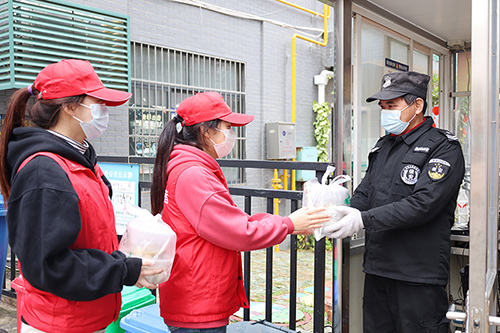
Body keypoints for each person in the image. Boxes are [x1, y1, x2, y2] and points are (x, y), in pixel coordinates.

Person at [0, 59, 162, 333]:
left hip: (87, 317)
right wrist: (122, 270)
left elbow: (88, 238)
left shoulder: (80, 160)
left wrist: (127, 252)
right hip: (60, 323)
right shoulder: (44, 171)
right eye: (97, 102)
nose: (105, 110)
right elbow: (47, 265)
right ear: (70, 107)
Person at [150, 91, 331, 332]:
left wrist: (287, 222)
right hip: (197, 301)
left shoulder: (187, 166)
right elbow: (239, 231)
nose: (231, 134)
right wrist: (288, 224)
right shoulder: (194, 174)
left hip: (193, 293)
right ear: (206, 131)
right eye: (227, 126)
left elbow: (231, 220)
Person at [324, 71, 465, 332]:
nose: (385, 112)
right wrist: (343, 213)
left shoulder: (443, 147)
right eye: (382, 107)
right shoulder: (384, 146)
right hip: (378, 270)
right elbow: (366, 193)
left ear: (417, 106)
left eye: (392, 105)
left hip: (417, 276)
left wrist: (362, 219)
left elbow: (423, 204)